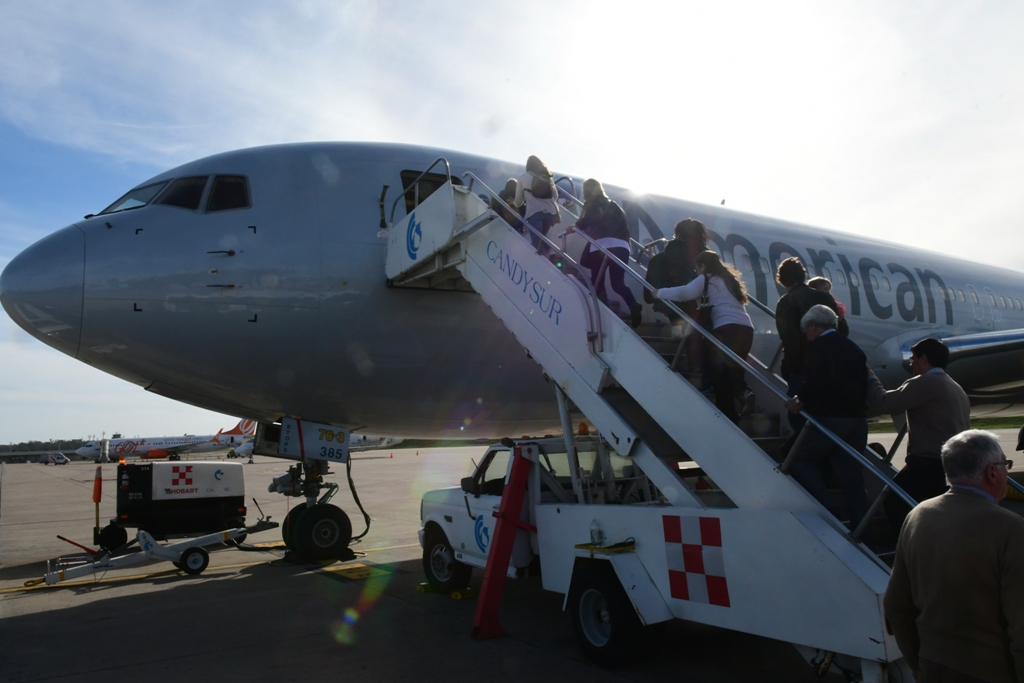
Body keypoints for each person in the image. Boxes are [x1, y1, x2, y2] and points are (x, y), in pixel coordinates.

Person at [885, 430, 1024, 683]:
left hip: (932, 667)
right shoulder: (1011, 528)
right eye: (1005, 465)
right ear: (992, 472)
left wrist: (920, 667)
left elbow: (896, 606)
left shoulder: (917, 515)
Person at [867, 337, 971, 531]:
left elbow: (883, 403)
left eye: (913, 358)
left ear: (924, 359)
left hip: (926, 463)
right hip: (951, 465)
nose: (910, 363)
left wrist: (870, 377)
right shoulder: (956, 389)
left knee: (894, 500)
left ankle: (910, 547)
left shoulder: (924, 383)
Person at [784, 305, 870, 528]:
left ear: (813, 326)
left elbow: (817, 381)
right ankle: (863, 532)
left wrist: (798, 400)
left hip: (831, 419)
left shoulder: (819, 347)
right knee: (852, 480)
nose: (808, 338)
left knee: (796, 459)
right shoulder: (854, 348)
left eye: (807, 332)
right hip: (858, 422)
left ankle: (828, 508)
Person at [653, 250, 754, 422]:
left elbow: (685, 293)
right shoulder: (729, 281)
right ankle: (745, 394)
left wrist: (659, 293)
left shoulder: (707, 278)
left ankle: (729, 417)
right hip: (746, 330)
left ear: (703, 266)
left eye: (697, 268)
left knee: (719, 376)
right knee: (734, 370)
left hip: (726, 329)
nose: (696, 272)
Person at [775, 258, 839, 431]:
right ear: (803, 276)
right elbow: (842, 329)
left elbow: (790, 340)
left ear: (781, 279)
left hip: (805, 368)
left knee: (798, 417)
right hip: (831, 367)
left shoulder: (786, 302)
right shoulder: (824, 297)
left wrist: (792, 368)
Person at [569, 178, 642, 328]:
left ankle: (604, 317)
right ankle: (633, 304)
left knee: (598, 283)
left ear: (587, 191)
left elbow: (593, 215)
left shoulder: (596, 203)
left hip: (603, 246)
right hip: (622, 247)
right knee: (617, 283)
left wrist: (576, 226)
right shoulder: (615, 206)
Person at [514, 155, 560, 252]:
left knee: (537, 246)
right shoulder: (548, 178)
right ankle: (550, 255)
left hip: (535, 213)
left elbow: (518, 201)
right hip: (551, 213)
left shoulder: (523, 177)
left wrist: (519, 203)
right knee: (541, 241)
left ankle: (544, 263)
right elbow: (555, 197)